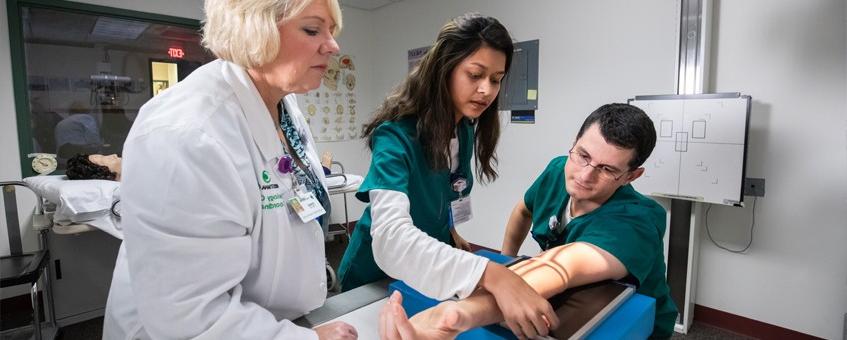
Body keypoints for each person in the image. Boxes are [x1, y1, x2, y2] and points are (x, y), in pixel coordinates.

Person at [102, 0, 357, 339]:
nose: (333, 45)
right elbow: (192, 317)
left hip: (273, 319)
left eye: (332, 31)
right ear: (255, 28)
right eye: (312, 29)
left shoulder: (282, 104)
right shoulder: (186, 135)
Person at [337, 13, 559, 339]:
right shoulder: (396, 136)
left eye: (496, 79)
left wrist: (450, 230)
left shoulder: (464, 128)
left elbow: (446, 187)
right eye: (475, 75)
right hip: (374, 275)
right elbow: (391, 240)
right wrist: (492, 274)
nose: (486, 90)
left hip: (427, 263)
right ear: (444, 68)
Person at [379, 103, 678, 339]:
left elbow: (562, 267)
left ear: (631, 175)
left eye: (607, 170)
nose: (585, 175)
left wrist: (457, 315)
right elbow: (523, 211)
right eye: (583, 155)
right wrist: (507, 260)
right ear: (574, 142)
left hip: (630, 320)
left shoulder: (637, 220)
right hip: (569, 298)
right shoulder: (559, 171)